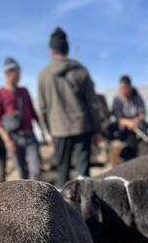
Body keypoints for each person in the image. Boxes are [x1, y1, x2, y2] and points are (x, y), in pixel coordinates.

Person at [38, 27, 101, 187]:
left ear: (51, 50)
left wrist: (48, 131)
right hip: (82, 126)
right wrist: (97, 129)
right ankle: (85, 209)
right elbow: (93, 104)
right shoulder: (81, 70)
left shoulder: (44, 74)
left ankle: (61, 207)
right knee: (84, 174)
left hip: (59, 130)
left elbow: (43, 107)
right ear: (67, 48)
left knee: (62, 172)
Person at [0, 58, 42, 180]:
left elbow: (33, 112)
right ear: (8, 73)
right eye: (16, 73)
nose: (19, 76)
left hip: (29, 135)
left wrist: (43, 130)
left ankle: (35, 196)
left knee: (36, 169)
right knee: (22, 173)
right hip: (14, 137)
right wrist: (8, 141)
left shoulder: (24, 91)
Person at [112, 75, 148, 160]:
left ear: (130, 87)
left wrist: (136, 121)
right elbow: (118, 117)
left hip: (138, 126)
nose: (123, 91)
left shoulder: (137, 97)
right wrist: (128, 123)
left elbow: (142, 113)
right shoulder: (117, 99)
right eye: (121, 88)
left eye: (125, 88)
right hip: (124, 127)